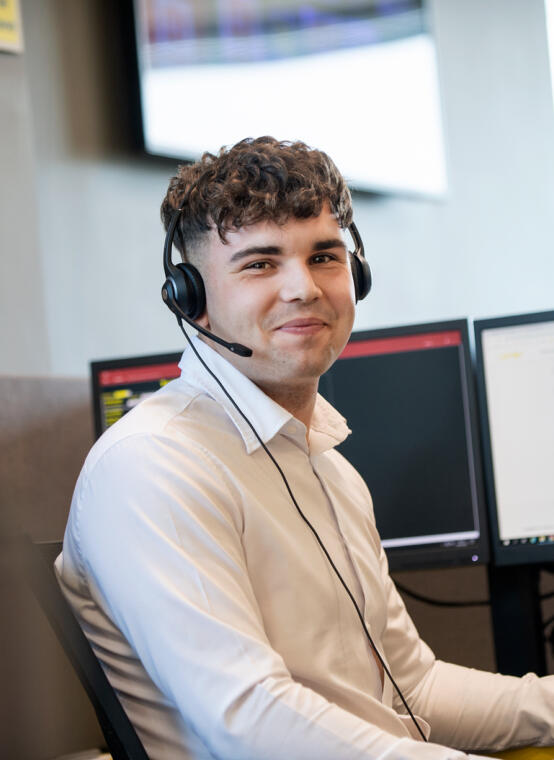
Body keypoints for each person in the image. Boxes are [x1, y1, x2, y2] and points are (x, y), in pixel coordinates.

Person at [57, 137, 554, 760]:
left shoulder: (328, 470)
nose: (304, 288)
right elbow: (250, 720)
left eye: (325, 256)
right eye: (260, 264)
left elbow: (412, 692)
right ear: (192, 300)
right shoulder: (154, 463)